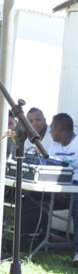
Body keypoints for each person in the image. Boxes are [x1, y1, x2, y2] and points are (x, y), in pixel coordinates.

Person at [48, 112, 78, 266]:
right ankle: (36, 240)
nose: (50, 131)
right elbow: (48, 168)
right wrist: (57, 188)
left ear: (59, 128)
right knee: (30, 198)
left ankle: (77, 253)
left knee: (77, 207)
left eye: (52, 128)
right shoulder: (54, 145)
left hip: (74, 189)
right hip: (55, 188)